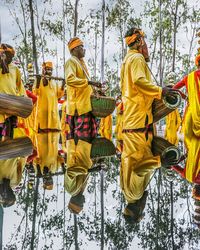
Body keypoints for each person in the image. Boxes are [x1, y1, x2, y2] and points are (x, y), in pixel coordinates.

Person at [120, 28, 173, 133]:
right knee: (142, 148)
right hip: (140, 117)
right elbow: (139, 80)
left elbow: (122, 85)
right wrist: (160, 90)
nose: (145, 45)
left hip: (131, 116)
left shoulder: (126, 59)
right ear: (139, 41)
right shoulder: (137, 57)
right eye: (143, 40)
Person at [65, 37, 101, 141]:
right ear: (74, 49)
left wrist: (95, 90)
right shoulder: (71, 62)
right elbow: (70, 80)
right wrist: (88, 82)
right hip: (78, 107)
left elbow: (85, 84)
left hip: (85, 106)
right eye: (81, 47)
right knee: (81, 140)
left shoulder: (80, 63)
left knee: (87, 141)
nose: (83, 49)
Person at [0, 44, 27, 140]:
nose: (10, 58)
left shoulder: (14, 68)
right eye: (7, 55)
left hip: (11, 106)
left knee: (8, 135)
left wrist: (23, 98)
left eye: (11, 56)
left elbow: (20, 86)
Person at [33, 61, 64, 132]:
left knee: (53, 134)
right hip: (42, 111)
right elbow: (35, 93)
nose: (49, 71)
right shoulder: (39, 79)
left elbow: (59, 95)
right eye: (47, 69)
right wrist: (38, 81)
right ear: (44, 70)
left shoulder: (54, 81)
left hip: (53, 111)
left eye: (50, 69)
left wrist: (63, 85)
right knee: (42, 135)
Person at [164, 72, 182, 145]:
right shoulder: (167, 107)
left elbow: (178, 120)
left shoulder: (175, 108)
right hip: (168, 129)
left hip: (173, 131)